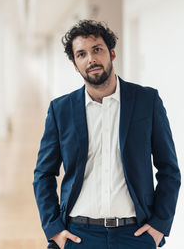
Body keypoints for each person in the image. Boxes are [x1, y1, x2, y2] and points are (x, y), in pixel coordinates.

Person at [33, 20, 181, 249]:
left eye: (97, 50)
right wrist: (55, 230)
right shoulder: (60, 110)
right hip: (78, 235)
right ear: (75, 65)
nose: (91, 59)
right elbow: (43, 174)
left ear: (112, 53)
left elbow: (169, 169)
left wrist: (159, 226)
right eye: (81, 54)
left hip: (135, 235)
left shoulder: (146, 101)